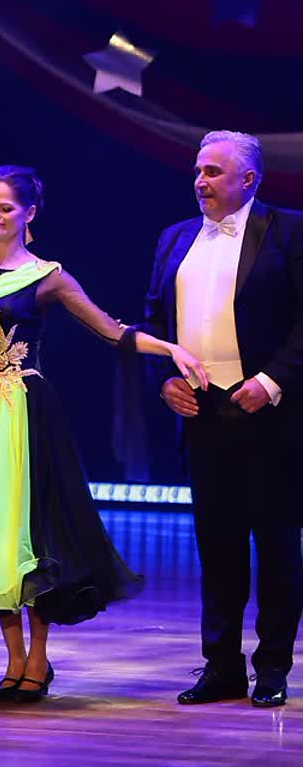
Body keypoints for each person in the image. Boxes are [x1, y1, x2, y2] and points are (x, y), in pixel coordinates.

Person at [0, 166, 204, 702]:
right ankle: (13, 660)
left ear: (29, 213)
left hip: (26, 416)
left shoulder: (48, 277)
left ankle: (37, 660)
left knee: (32, 533)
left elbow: (112, 331)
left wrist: (169, 348)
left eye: (5, 207)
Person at [140, 132, 303, 709]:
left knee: (277, 545)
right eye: (198, 171)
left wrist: (273, 380)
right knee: (218, 546)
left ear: (248, 179)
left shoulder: (290, 231)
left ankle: (273, 667)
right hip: (203, 414)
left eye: (213, 172)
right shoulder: (174, 237)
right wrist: (164, 380)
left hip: (269, 414)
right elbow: (154, 325)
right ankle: (222, 666)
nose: (200, 181)